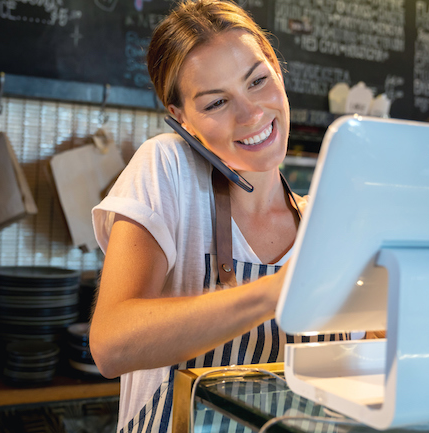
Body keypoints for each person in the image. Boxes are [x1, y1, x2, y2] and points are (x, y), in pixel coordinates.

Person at [90, 1, 362, 432]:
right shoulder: (168, 169)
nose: (251, 113)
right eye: (217, 102)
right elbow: (111, 345)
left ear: (276, 69)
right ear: (182, 119)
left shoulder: (334, 222)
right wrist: (276, 292)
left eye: (257, 81)